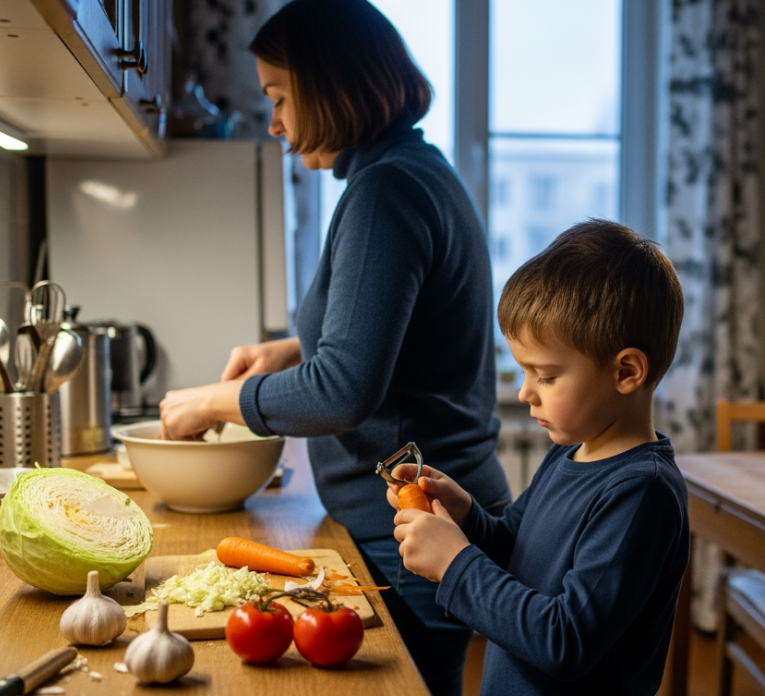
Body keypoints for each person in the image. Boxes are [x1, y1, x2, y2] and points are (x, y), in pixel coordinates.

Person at [156, 1, 512, 693]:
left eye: (280, 96)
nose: (276, 123)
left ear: (329, 86)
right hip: (414, 519)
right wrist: (294, 349)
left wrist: (215, 401)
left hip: (408, 533)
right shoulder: (408, 171)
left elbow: (346, 388)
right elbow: (400, 338)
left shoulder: (386, 191)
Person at [389, 221, 690, 696]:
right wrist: (465, 515)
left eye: (545, 376)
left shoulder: (641, 492)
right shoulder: (569, 452)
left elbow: (565, 641)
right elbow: (515, 547)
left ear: (626, 371)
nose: (526, 392)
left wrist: (455, 564)